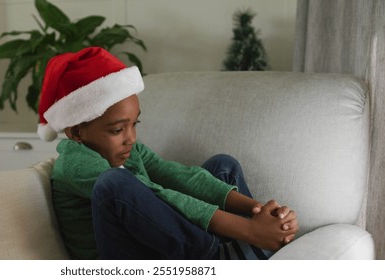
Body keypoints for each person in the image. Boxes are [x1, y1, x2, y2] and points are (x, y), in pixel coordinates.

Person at [37, 47, 298, 260]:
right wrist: (247, 230)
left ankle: (254, 243)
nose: (131, 138)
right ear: (76, 132)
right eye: (117, 129)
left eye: (134, 124)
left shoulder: (128, 149)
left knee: (223, 166)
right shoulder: (75, 165)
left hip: (164, 249)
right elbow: (157, 194)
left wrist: (258, 212)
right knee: (114, 183)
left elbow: (178, 176)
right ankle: (227, 251)